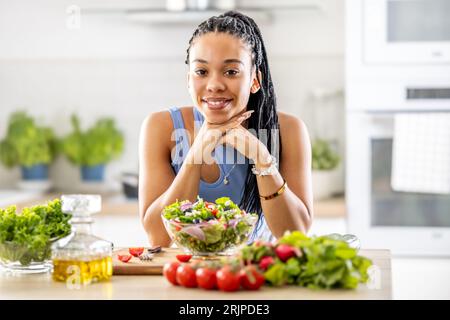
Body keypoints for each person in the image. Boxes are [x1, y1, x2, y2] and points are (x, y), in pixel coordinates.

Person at [138, 11, 313, 247]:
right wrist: (196, 153)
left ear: (254, 80)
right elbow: (158, 237)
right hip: (186, 277)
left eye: (231, 72)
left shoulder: (289, 130)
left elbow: (295, 234)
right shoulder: (160, 127)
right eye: (201, 72)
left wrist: (262, 159)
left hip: (258, 277)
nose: (214, 85)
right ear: (188, 79)